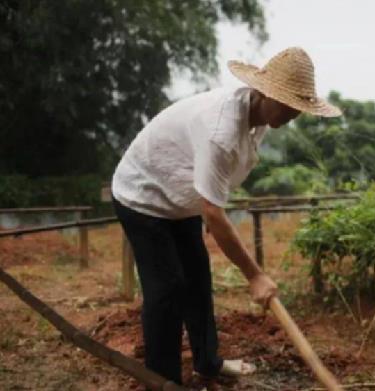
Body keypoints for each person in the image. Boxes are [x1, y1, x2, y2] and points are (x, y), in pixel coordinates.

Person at [111, 47, 342, 385]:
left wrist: (208, 214)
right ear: (263, 93)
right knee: (168, 289)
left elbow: (211, 199)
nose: (293, 114)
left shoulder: (260, 117)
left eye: (299, 108)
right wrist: (255, 276)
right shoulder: (222, 129)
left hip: (181, 198)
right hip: (142, 195)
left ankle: (208, 363)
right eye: (287, 104)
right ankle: (163, 381)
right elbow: (214, 214)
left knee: (198, 279)